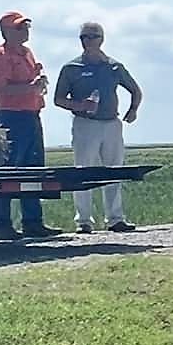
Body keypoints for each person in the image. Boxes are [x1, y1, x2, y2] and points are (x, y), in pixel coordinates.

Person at [54, 20, 143, 230]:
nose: (88, 41)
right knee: (83, 171)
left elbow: (135, 89)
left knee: (114, 170)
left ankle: (115, 218)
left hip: (111, 123)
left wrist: (133, 110)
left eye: (92, 36)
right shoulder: (71, 68)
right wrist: (79, 105)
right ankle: (83, 221)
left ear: (101, 39)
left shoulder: (114, 66)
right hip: (85, 124)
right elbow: (58, 99)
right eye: (84, 37)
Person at [0, 11, 61, 241]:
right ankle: (1, 224)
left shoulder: (26, 53)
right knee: (7, 171)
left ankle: (33, 222)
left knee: (33, 170)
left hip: (31, 115)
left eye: (26, 27)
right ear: (6, 31)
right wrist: (30, 87)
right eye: (19, 28)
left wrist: (40, 79)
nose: (25, 31)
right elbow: (0, 89)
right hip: (9, 118)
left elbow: (33, 77)